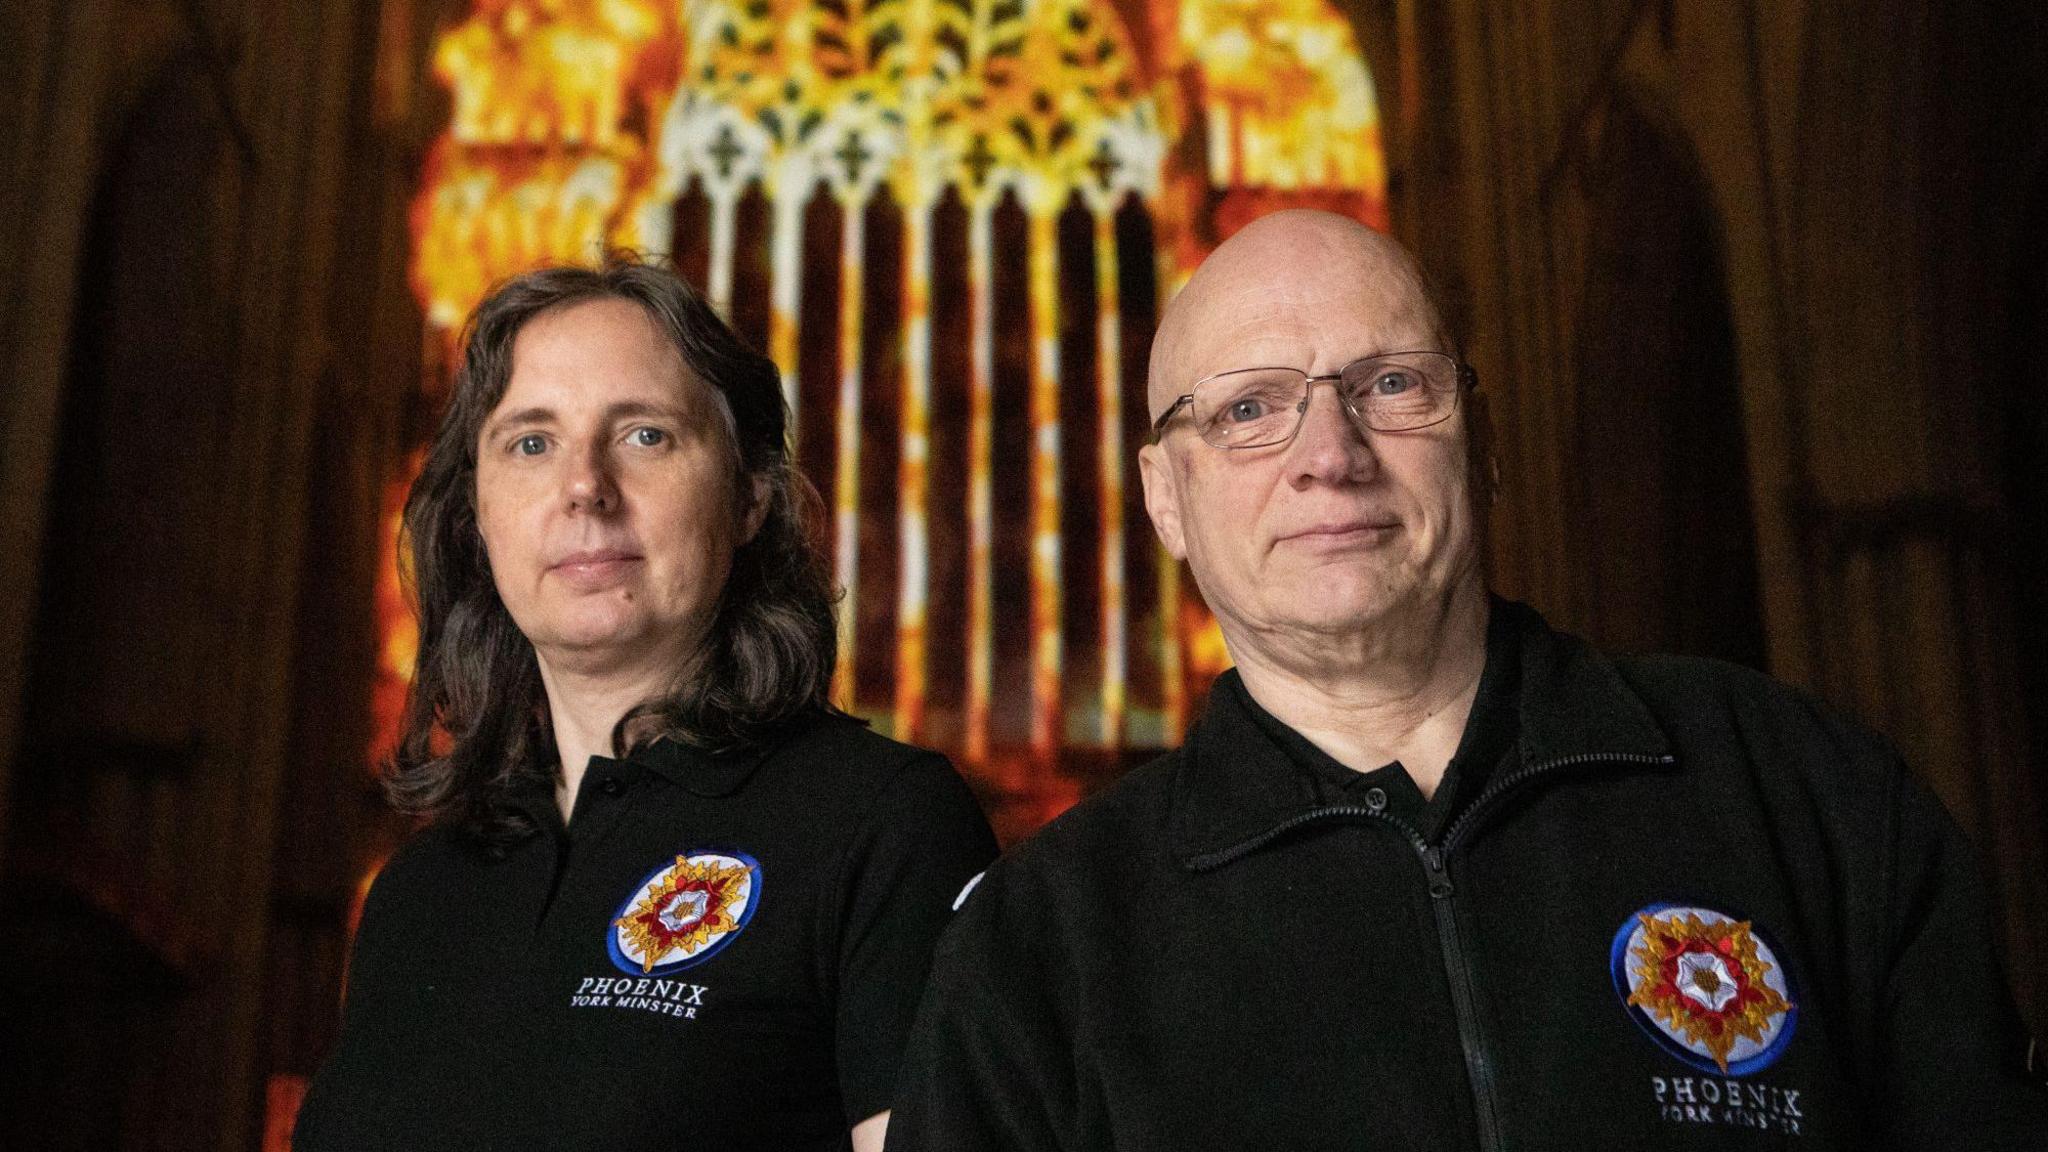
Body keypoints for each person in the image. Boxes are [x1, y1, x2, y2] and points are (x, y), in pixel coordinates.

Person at [885, 210, 2048, 1149]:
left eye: (1392, 385)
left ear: (1480, 441)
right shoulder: (1041, 945)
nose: (1328, 456)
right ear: (1163, 497)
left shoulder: (1799, 790)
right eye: (1248, 410)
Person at [295, 256, 996, 1152]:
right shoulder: (418, 894)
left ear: (749, 495)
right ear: (477, 514)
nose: (583, 485)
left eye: (645, 436)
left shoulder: (880, 826)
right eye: (531, 443)